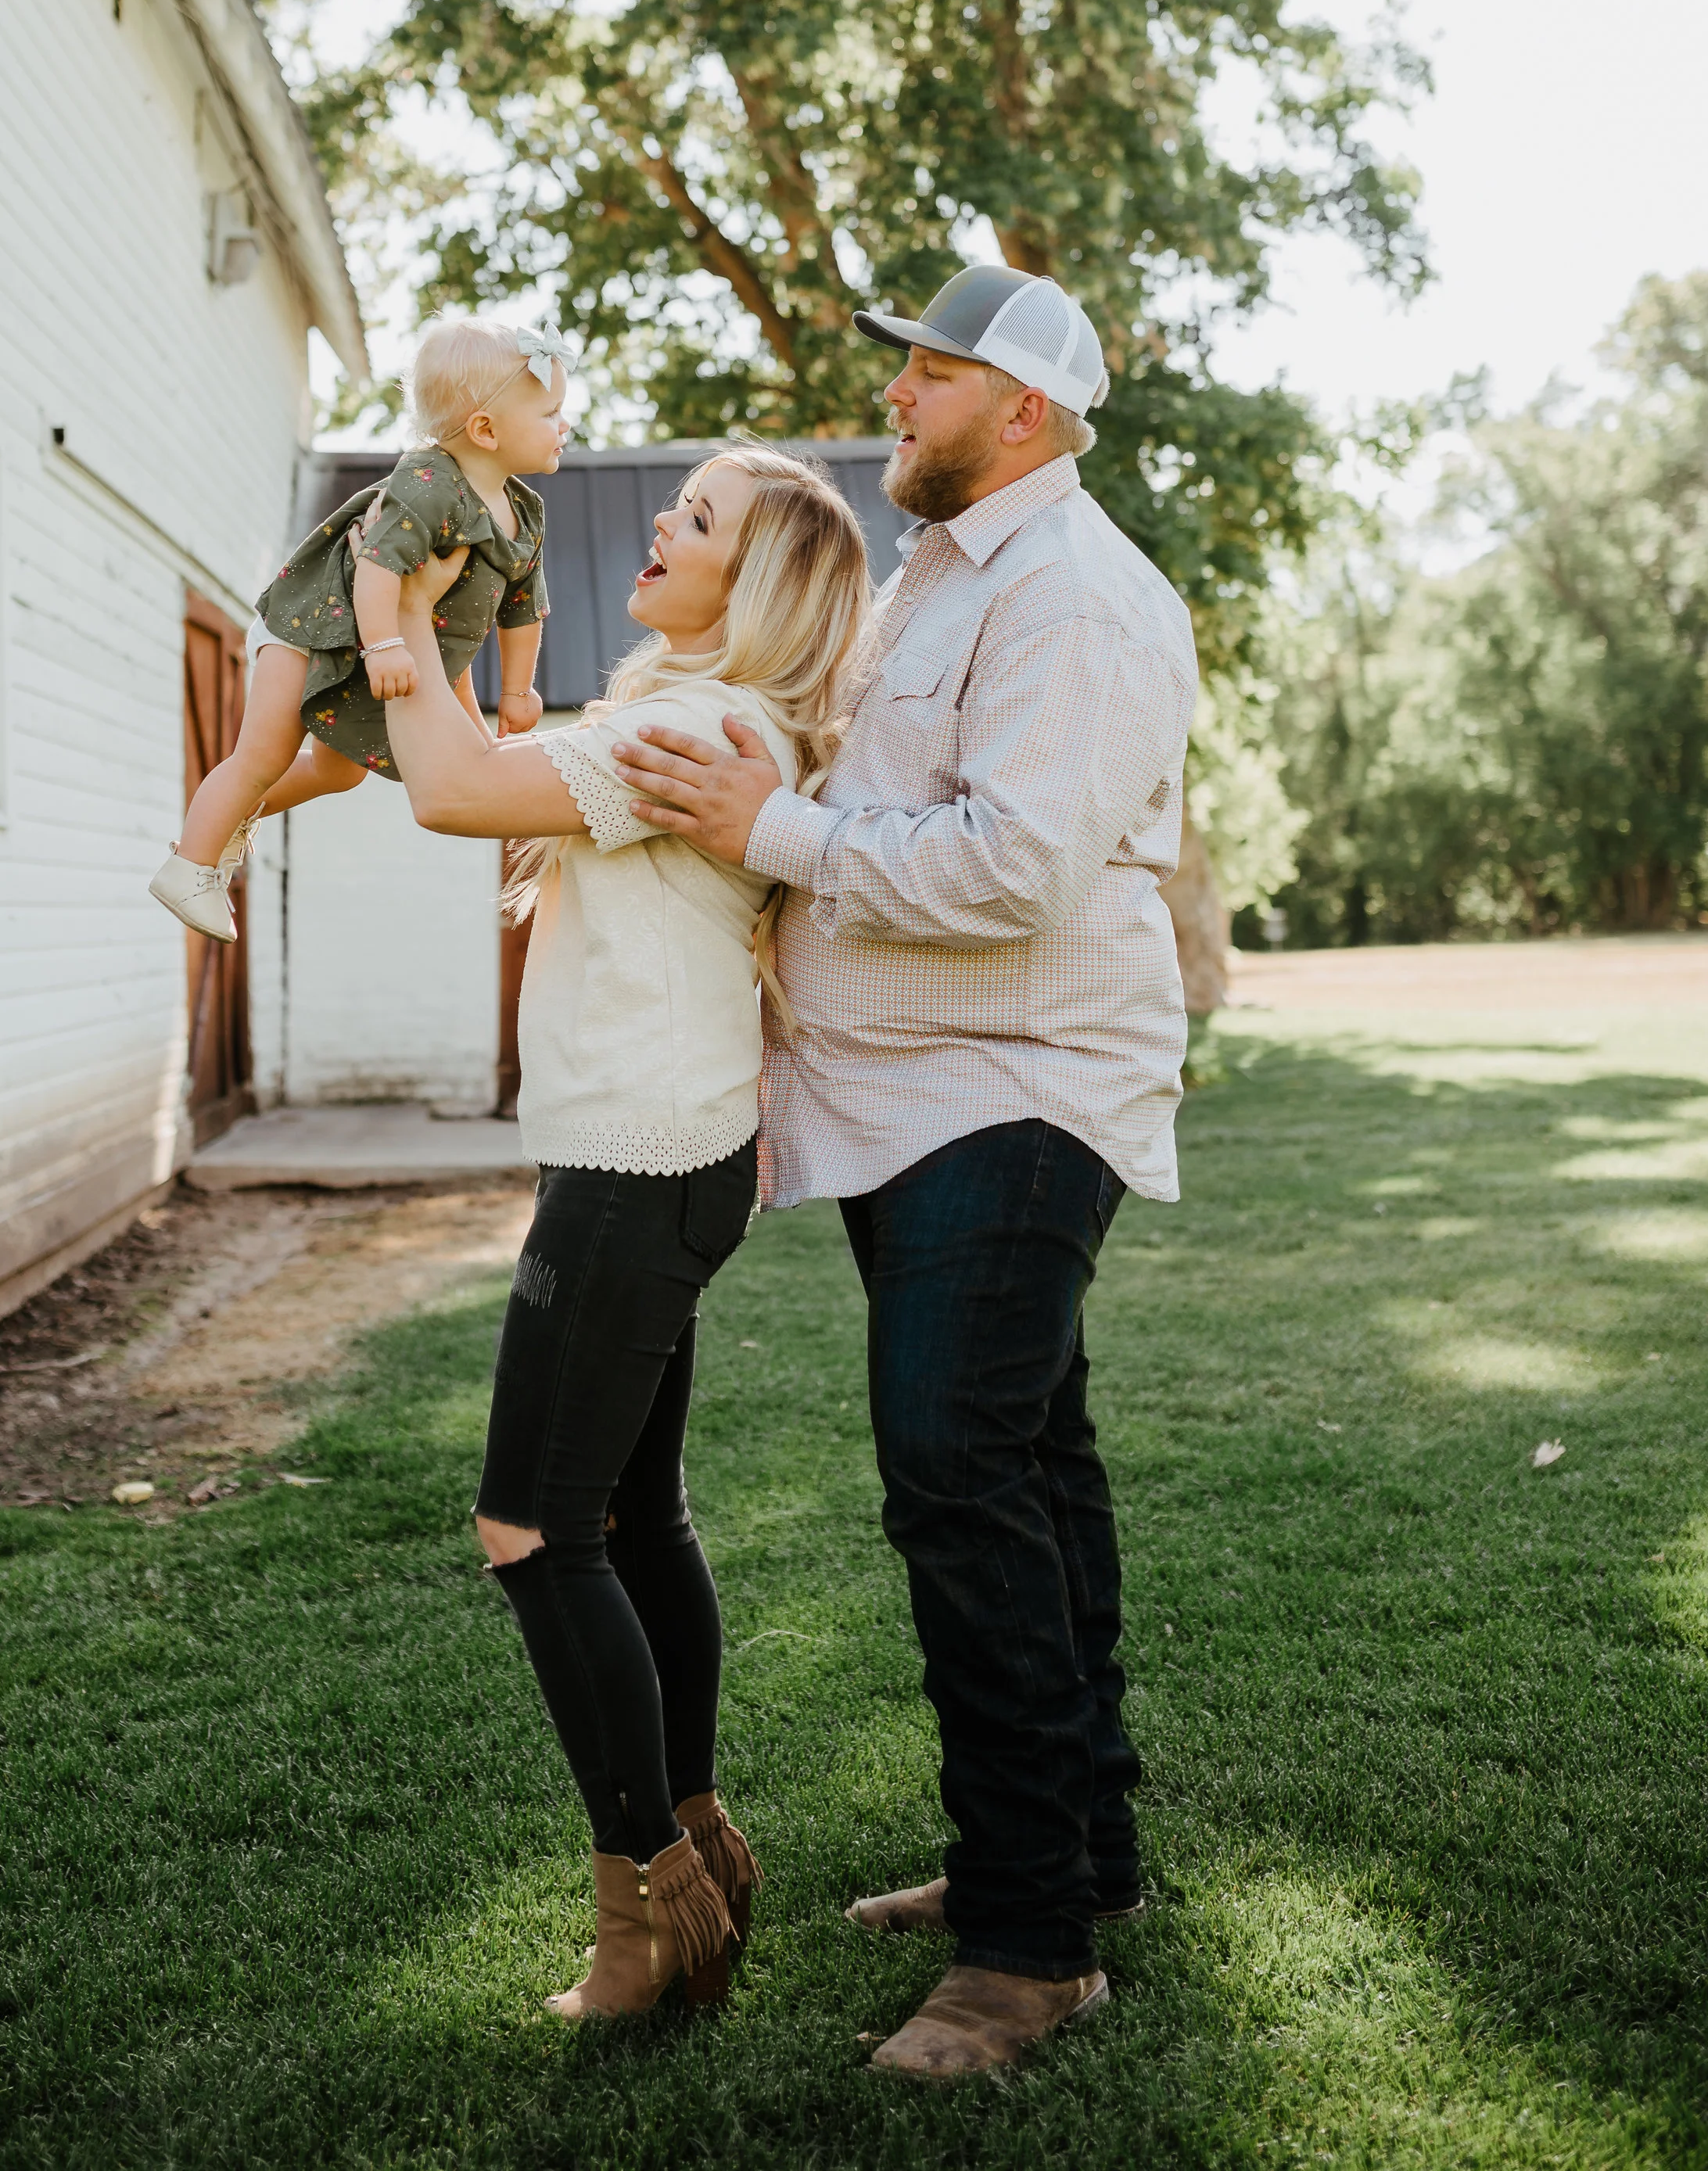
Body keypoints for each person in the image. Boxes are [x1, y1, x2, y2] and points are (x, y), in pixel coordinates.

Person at [611, 264, 1199, 2079]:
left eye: (933, 379)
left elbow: (1016, 869)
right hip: (908, 1100)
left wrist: (763, 828)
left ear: (1021, 414)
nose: (901, 403)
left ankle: (1028, 1957)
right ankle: (1065, 1856)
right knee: (1029, 1467)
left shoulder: (1078, 599)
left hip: (1015, 1095)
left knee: (957, 1474)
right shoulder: (947, 575)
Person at [383, 444, 871, 2020]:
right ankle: (702, 1850)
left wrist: (393, 620)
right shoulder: (710, 718)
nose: (662, 521)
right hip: (673, 1156)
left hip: (631, 1166)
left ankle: (647, 1915)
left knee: (529, 1527)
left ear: (759, 586)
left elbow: (455, 789)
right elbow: (487, 758)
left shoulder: (683, 725)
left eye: (700, 518)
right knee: (629, 1518)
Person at [148, 318, 568, 942]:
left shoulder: (525, 512)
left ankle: (234, 815)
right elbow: (376, 564)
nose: (566, 425)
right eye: (551, 412)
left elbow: (524, 608)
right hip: (310, 625)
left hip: (380, 642)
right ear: (485, 429)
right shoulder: (428, 484)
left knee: (340, 771)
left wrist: (517, 691)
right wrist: (386, 644)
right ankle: (189, 866)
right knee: (264, 753)